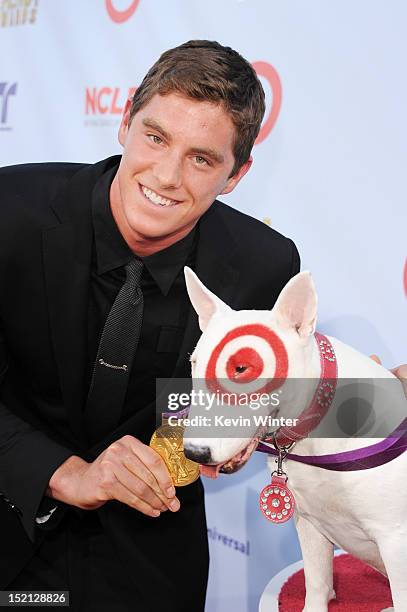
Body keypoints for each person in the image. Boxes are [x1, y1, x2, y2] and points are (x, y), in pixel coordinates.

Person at [0, 40, 301, 612]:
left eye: (202, 159)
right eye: (156, 137)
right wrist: (64, 473)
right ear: (124, 120)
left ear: (237, 174)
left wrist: (236, 429)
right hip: (10, 528)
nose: (165, 176)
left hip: (148, 559)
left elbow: (243, 401)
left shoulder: (264, 266)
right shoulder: (11, 212)